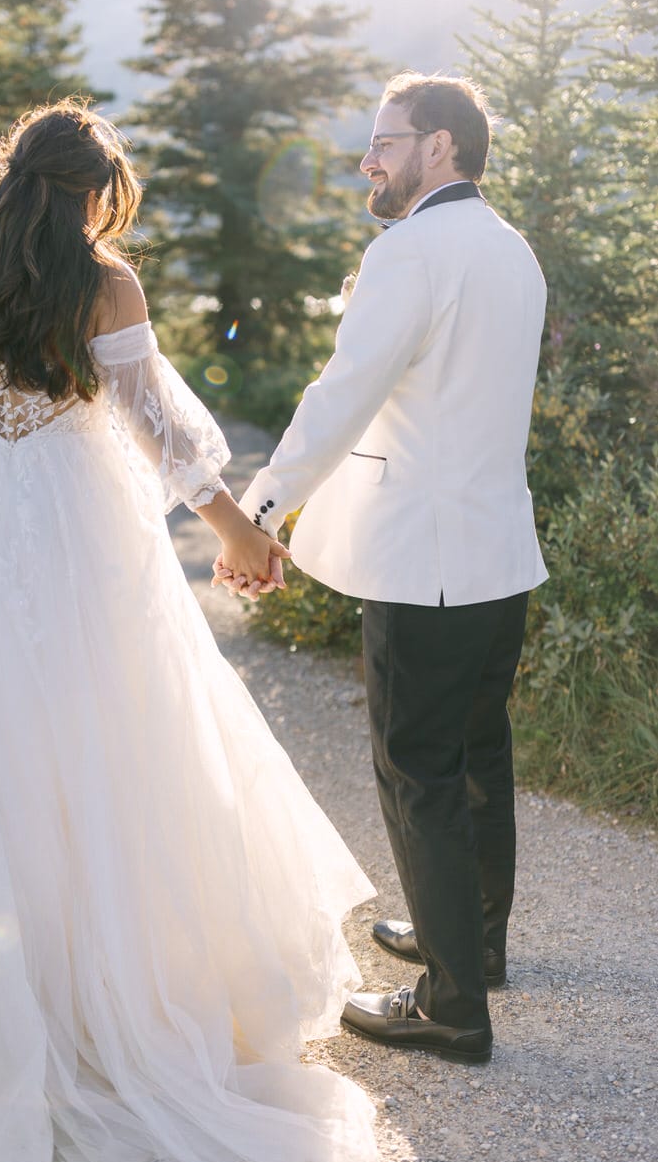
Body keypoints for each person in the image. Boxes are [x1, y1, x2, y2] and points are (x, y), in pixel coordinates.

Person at [0, 99, 377, 1162]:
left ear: (11, 176)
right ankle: (106, 1006)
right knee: (107, 741)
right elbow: (159, 429)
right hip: (72, 527)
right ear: (91, 192)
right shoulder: (102, 282)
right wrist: (233, 526)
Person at [218, 73, 547, 1065]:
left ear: (437, 147)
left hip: (425, 563)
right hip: (497, 552)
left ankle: (449, 1006)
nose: (367, 159)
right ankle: (473, 948)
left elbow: (339, 397)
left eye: (383, 141)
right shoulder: (509, 250)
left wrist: (259, 514)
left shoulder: (409, 251)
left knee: (417, 775)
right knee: (477, 757)